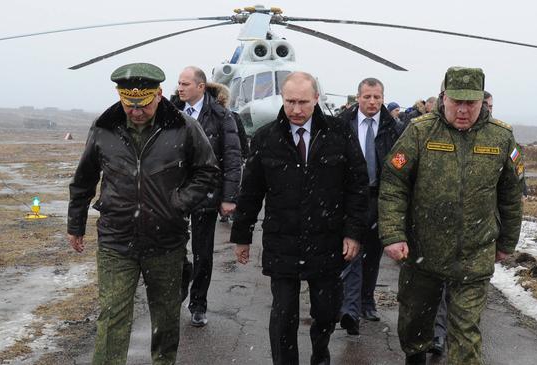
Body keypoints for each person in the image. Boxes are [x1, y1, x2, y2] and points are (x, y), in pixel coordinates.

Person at [67, 62, 220, 365]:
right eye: (129, 104)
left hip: (166, 242)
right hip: (116, 240)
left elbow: (207, 172)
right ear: (120, 96)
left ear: (159, 95)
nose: (136, 111)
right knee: (112, 316)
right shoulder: (104, 126)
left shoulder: (184, 127)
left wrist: (179, 203)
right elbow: (84, 178)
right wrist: (76, 224)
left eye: (144, 104)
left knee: (165, 319)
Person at [379, 67, 524, 365]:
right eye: (456, 101)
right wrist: (393, 234)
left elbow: (511, 196)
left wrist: (507, 242)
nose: (462, 110)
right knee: (414, 328)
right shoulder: (420, 131)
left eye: (470, 103)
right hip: (422, 252)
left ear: (481, 102)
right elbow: (393, 183)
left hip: (474, 254)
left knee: (466, 332)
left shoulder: (500, 137)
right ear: (443, 97)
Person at [230, 71, 368, 365]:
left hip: (327, 239)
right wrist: (242, 236)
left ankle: (320, 354)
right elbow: (251, 192)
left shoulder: (339, 134)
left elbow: (357, 187)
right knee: (283, 315)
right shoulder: (266, 138)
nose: (296, 109)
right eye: (290, 101)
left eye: (303, 102)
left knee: (325, 311)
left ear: (317, 99)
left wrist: (353, 232)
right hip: (283, 241)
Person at [171, 66, 242, 327]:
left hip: (206, 192)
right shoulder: (171, 114)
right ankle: (178, 286)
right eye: (179, 83)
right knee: (174, 248)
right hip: (174, 194)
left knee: (203, 252)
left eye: (186, 83)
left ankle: (198, 304)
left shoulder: (222, 116)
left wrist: (229, 196)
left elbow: (233, 158)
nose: (180, 88)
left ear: (201, 87)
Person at [337, 78, 403, 335]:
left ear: (383, 98)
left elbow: (401, 161)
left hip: (380, 196)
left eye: (377, 97)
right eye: (367, 97)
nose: (372, 102)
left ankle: (366, 301)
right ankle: (349, 306)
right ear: (358, 98)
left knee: (373, 253)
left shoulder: (393, 127)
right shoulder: (343, 124)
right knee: (350, 249)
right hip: (350, 196)